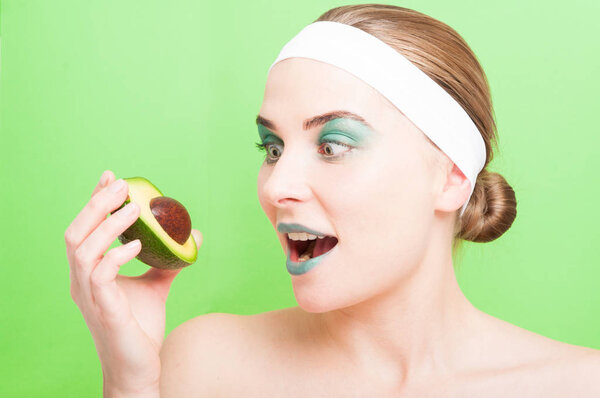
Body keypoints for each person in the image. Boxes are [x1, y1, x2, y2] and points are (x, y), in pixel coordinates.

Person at [64, 4, 600, 397]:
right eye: (272, 148)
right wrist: (129, 379)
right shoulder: (204, 366)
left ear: (453, 178)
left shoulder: (576, 385)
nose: (276, 188)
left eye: (332, 145)